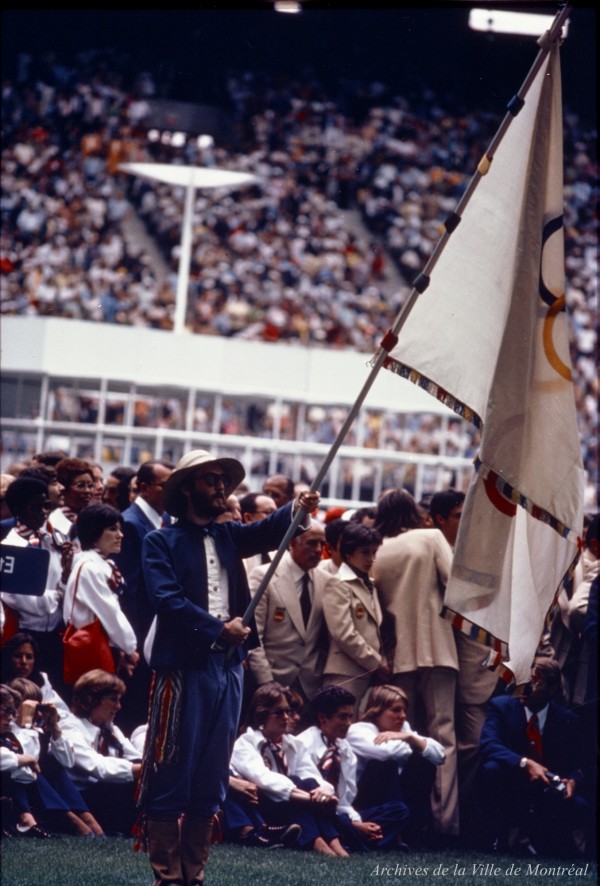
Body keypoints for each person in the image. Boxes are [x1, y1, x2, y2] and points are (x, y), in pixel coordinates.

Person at [136, 449, 319, 886]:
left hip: (229, 670)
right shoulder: (159, 542)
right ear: (187, 489)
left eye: (223, 479)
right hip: (182, 671)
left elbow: (270, 531)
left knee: (213, 774)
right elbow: (167, 600)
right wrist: (218, 630)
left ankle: (194, 874)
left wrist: (297, 509)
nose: (221, 486)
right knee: (171, 769)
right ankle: (168, 875)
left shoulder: (228, 536)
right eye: (211, 479)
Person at [372, 487, 460, 842]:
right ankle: (445, 823)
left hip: (397, 657)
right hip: (436, 648)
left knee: (401, 738)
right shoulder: (431, 536)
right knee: (444, 739)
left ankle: (407, 817)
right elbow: (456, 585)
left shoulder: (377, 548)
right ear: (413, 511)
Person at [429, 489, 498, 841]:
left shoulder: (474, 553)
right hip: (445, 664)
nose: (465, 520)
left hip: (482, 670)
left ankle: (466, 819)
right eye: (458, 515)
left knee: (472, 748)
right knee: (456, 747)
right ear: (439, 519)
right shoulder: (434, 552)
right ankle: (448, 821)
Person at [478, 656, 590, 857]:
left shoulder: (568, 719)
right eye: (523, 681)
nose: (525, 689)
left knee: (580, 806)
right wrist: (524, 763)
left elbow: (579, 763)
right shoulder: (501, 706)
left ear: (553, 689)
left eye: (535, 684)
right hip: (512, 782)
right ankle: (497, 836)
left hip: (547, 789)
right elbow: (489, 744)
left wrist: (573, 780)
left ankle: (547, 840)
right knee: (490, 769)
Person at [228, 682, 347, 856]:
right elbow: (264, 779)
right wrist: (310, 798)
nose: (286, 717)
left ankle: (334, 844)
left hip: (286, 803)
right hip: (261, 804)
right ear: (261, 715)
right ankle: (319, 843)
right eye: (279, 712)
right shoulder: (246, 742)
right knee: (296, 783)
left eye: (288, 711)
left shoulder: (293, 744)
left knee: (307, 782)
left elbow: (311, 774)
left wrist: (325, 791)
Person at [298, 684, 409, 852]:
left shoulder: (344, 749)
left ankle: (353, 838)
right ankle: (354, 839)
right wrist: (356, 826)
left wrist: (357, 822)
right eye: (342, 717)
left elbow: (345, 801)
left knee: (399, 811)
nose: (348, 723)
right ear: (322, 718)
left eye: (350, 717)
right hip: (315, 812)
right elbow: (313, 795)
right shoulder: (303, 744)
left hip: (340, 815)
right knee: (335, 820)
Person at [113, 460, 173, 733]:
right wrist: (133, 642)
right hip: (140, 634)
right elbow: (130, 590)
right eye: (166, 485)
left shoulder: (166, 521)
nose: (173, 492)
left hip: (159, 632)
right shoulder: (130, 523)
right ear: (145, 488)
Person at [346, 684, 445, 848]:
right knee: (386, 764)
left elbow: (440, 756)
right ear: (377, 712)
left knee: (425, 762)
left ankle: (412, 830)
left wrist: (410, 738)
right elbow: (388, 753)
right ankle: (394, 834)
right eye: (396, 710)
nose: (402, 716)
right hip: (364, 801)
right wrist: (409, 740)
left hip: (394, 798)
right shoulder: (358, 730)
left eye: (404, 711)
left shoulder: (403, 729)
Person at [6, 678, 104, 837]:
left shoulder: (36, 728)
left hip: (38, 782)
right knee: (33, 770)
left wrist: (54, 728)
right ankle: (71, 819)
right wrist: (26, 724)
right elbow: (26, 756)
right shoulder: (10, 728)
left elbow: (68, 762)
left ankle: (88, 818)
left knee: (54, 766)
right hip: (19, 780)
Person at [1, 478, 72, 688]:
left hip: (56, 636)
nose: (43, 512)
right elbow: (35, 604)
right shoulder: (10, 548)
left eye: (46, 506)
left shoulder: (55, 539)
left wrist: (65, 578)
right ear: (19, 510)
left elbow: (65, 589)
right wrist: (60, 591)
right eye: (36, 507)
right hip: (26, 638)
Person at [247, 520, 328, 705]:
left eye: (322, 544)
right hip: (271, 684)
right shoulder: (264, 576)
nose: (318, 550)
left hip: (310, 687)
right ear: (292, 542)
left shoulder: (326, 580)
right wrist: (266, 683)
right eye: (312, 543)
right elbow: (253, 636)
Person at [59, 669, 142, 835]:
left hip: (104, 795)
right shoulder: (69, 728)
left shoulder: (109, 729)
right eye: (113, 700)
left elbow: (135, 757)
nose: (118, 707)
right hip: (82, 799)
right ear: (91, 699)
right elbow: (98, 767)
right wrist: (141, 769)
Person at [63, 504, 139, 682]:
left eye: (120, 529)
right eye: (112, 529)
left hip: (106, 644)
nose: (120, 535)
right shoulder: (89, 567)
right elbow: (110, 612)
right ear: (94, 533)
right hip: (91, 647)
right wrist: (129, 647)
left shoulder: (103, 565)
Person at [322, 523, 388, 715]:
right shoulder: (338, 583)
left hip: (365, 671)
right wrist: (376, 663)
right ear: (349, 553)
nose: (371, 559)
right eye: (365, 552)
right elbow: (343, 633)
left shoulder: (369, 584)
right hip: (345, 672)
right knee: (340, 730)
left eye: (374, 552)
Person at [49, 458, 95, 542]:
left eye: (90, 485)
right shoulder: (51, 522)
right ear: (63, 488)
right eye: (80, 485)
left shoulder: (95, 520)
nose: (87, 491)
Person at [238, 491, 277, 575]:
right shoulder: (237, 552)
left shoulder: (280, 551)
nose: (275, 518)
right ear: (248, 517)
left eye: (276, 513)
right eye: (269, 512)